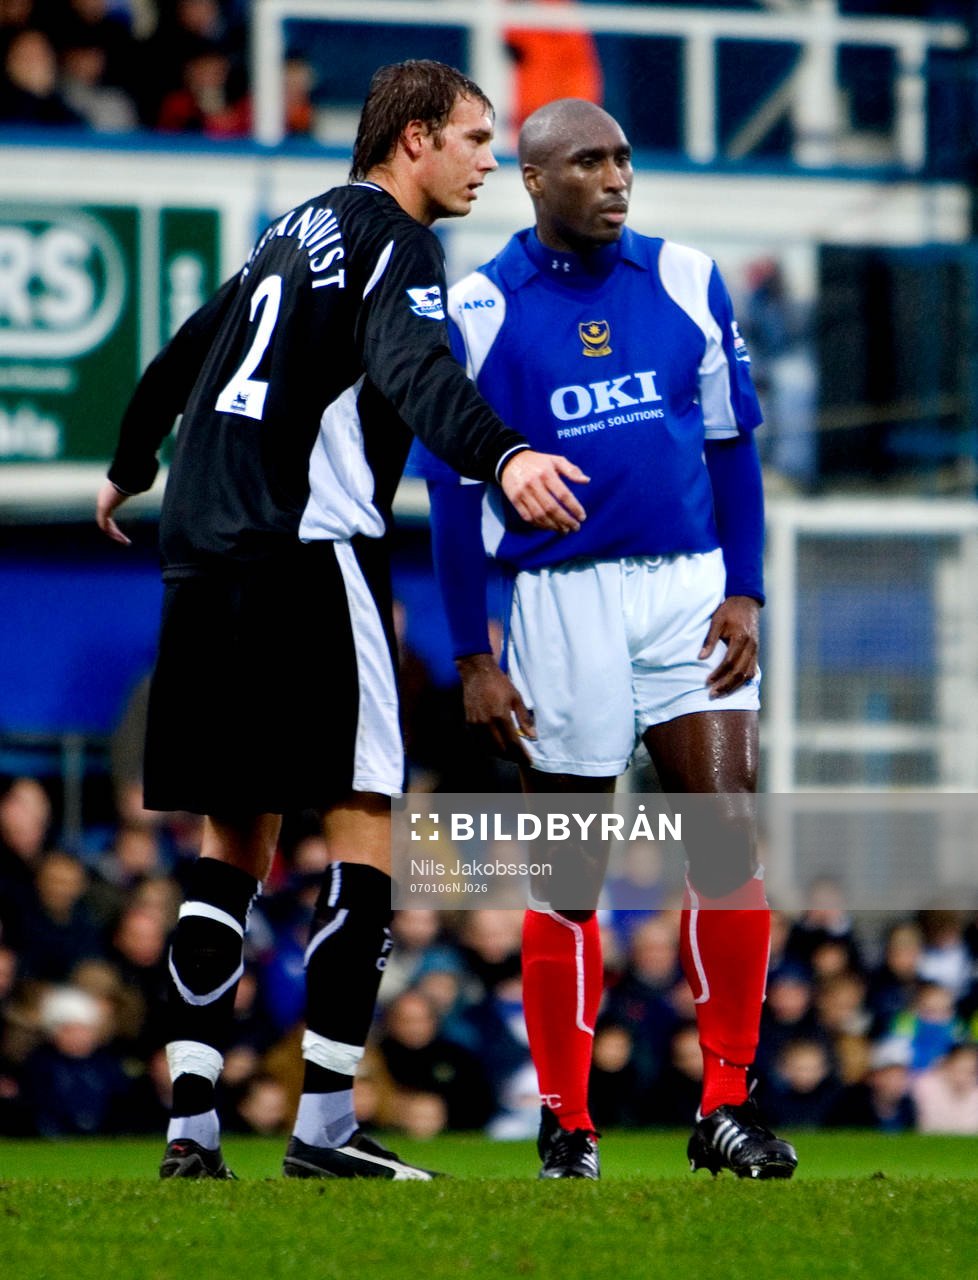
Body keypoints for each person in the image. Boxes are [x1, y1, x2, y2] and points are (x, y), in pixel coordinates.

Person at [95, 59, 587, 1182]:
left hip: (201, 560)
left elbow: (190, 343)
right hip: (311, 556)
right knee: (367, 822)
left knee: (233, 848)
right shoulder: (398, 244)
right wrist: (503, 454)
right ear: (411, 139)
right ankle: (322, 1128)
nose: (484, 162)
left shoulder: (291, 229)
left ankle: (192, 1125)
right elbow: (416, 370)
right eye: (471, 137)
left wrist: (130, 460)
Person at [416, 98, 797, 1180]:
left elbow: (732, 448)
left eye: (624, 157)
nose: (616, 177)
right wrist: (474, 656)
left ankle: (725, 1102)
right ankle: (566, 1122)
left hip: (687, 591)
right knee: (566, 879)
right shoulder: (481, 307)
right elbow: (450, 496)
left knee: (728, 844)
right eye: (588, 161)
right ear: (535, 180)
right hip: (558, 602)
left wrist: (747, 589)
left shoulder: (686, 278)